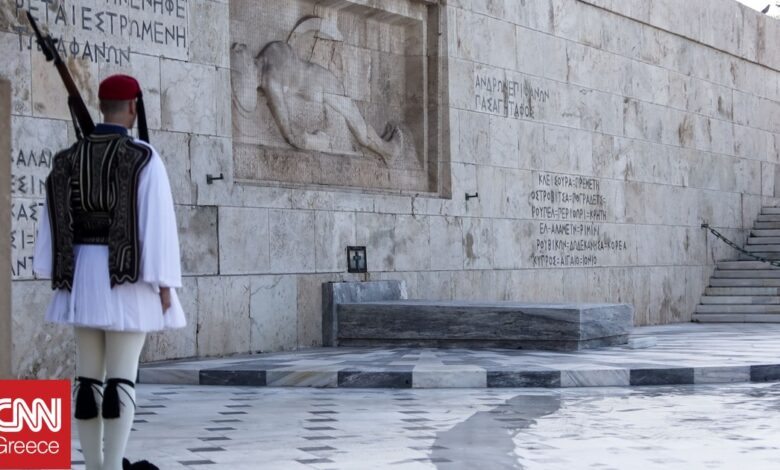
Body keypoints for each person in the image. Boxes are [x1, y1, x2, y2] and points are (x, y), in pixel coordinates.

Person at [33, 74, 186, 470]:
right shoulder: (143, 157)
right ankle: (113, 465)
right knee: (121, 380)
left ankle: (94, 466)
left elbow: (53, 221)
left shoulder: (67, 158)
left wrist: (58, 273)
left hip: (82, 277)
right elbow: (156, 224)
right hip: (127, 277)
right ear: (134, 106)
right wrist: (165, 283)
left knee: (88, 380)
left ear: (101, 106)